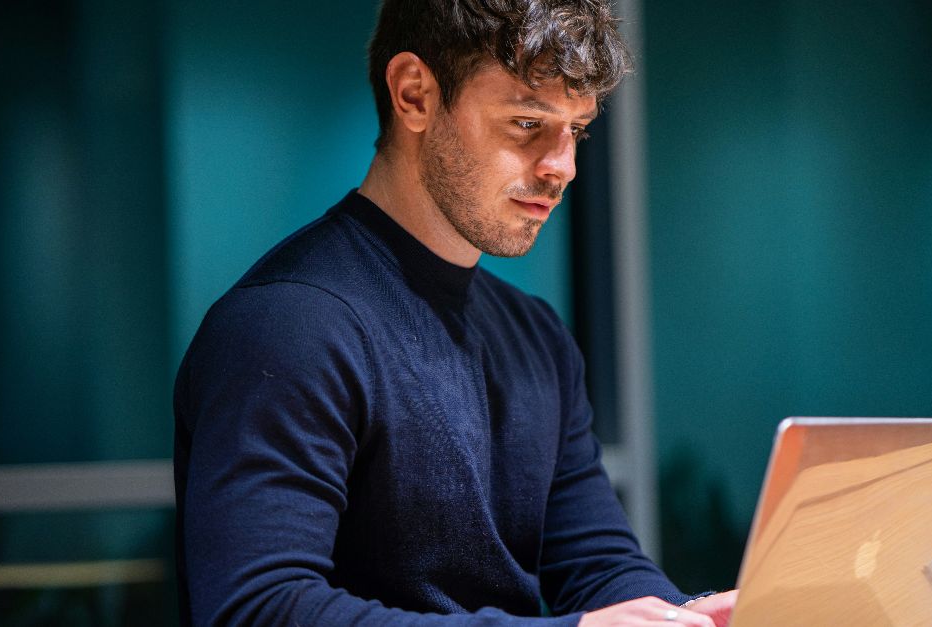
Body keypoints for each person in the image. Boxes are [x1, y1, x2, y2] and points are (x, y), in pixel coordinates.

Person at [173, 1, 737, 625]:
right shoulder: (288, 326)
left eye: (576, 130)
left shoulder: (536, 336)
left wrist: (691, 616)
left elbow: (598, 566)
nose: (563, 167)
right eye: (527, 123)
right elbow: (258, 608)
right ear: (414, 94)